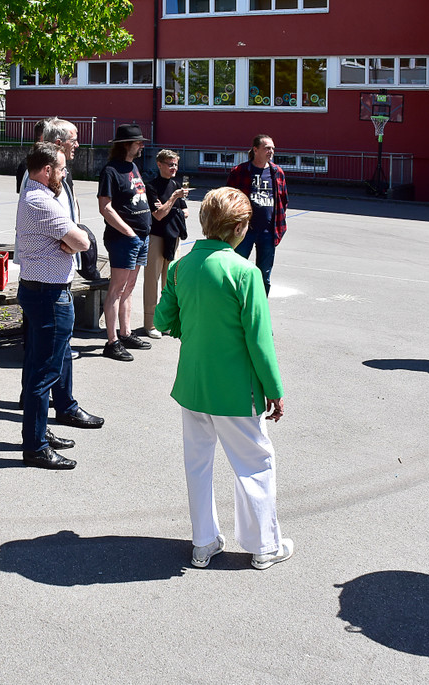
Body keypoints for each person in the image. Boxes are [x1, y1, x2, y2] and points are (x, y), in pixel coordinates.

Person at [154, 186, 293, 571]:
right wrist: (275, 390)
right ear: (239, 228)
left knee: (197, 463)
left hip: (194, 385)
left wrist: (190, 328)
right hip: (235, 389)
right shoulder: (244, 272)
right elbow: (259, 340)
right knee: (255, 462)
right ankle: (264, 544)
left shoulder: (182, 266)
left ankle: (203, 542)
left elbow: (163, 319)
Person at [17, 142, 104, 470]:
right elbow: (82, 241)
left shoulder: (37, 196)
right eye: (62, 167)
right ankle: (36, 446)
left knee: (40, 368)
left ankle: (38, 432)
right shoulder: (41, 200)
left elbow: (71, 239)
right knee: (45, 373)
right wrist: (70, 246)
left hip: (42, 291)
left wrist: (64, 244)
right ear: (46, 170)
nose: (66, 172)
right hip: (49, 295)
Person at [99, 124, 153, 361]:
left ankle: (125, 332)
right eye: (138, 142)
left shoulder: (133, 167)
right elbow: (105, 207)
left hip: (141, 237)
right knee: (117, 289)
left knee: (129, 287)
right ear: (126, 145)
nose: (142, 145)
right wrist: (128, 231)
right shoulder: (110, 170)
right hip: (124, 239)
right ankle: (112, 342)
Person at [225, 134, 289, 295]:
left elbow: (283, 201)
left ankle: (260, 308)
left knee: (264, 276)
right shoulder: (240, 171)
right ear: (255, 150)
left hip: (268, 232)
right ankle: (234, 305)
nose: (271, 151)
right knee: (237, 272)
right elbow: (229, 199)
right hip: (244, 231)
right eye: (267, 148)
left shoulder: (277, 172)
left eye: (273, 148)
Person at [143, 149, 188, 339]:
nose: (173, 168)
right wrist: (173, 199)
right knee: (152, 281)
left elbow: (185, 212)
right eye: (170, 164)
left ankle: (166, 321)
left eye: (175, 164)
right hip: (156, 237)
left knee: (170, 282)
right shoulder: (151, 186)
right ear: (159, 164)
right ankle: (150, 323)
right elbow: (159, 214)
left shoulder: (176, 184)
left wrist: (174, 205)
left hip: (173, 238)